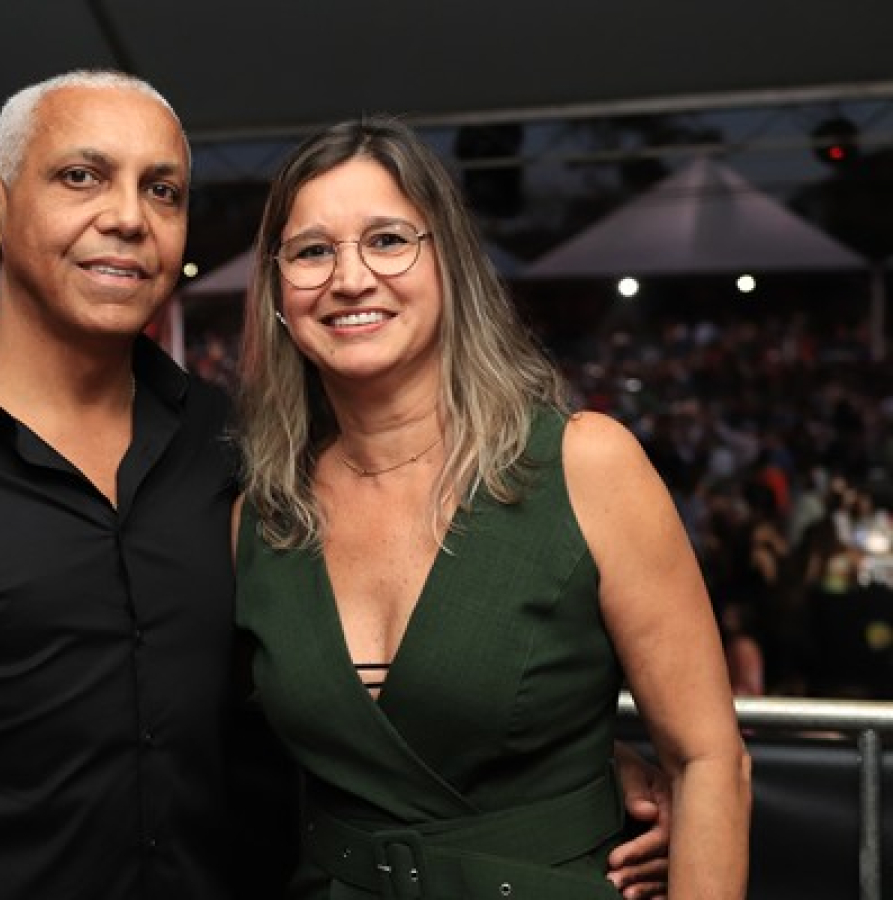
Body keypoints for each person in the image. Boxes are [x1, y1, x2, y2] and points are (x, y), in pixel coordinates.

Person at [0, 72, 671, 900]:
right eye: (81, 176)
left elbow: (319, 695)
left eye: (162, 189)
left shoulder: (239, 451)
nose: (128, 216)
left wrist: (558, 767)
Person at [233, 118, 750, 899]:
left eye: (388, 240)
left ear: (450, 265)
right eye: (311, 251)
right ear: (277, 290)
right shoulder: (260, 518)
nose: (350, 277)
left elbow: (709, 761)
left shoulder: (585, 465)